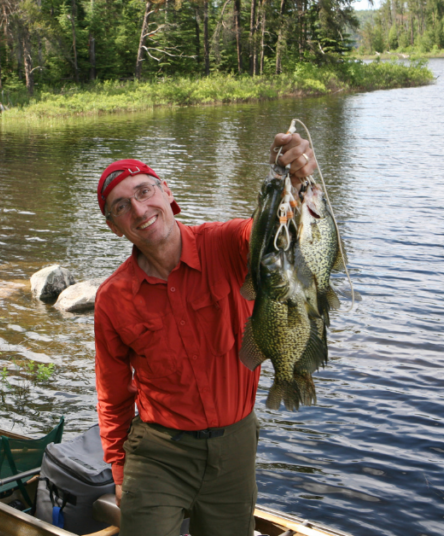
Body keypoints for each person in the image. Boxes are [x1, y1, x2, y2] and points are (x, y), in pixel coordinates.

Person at [93, 131, 318, 536]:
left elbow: (273, 238)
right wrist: (119, 470)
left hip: (235, 446)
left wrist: (298, 184)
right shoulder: (113, 298)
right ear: (114, 227)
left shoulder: (226, 243)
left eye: (144, 191)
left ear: (167, 191)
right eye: (122, 206)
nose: (140, 209)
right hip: (158, 453)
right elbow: (112, 391)